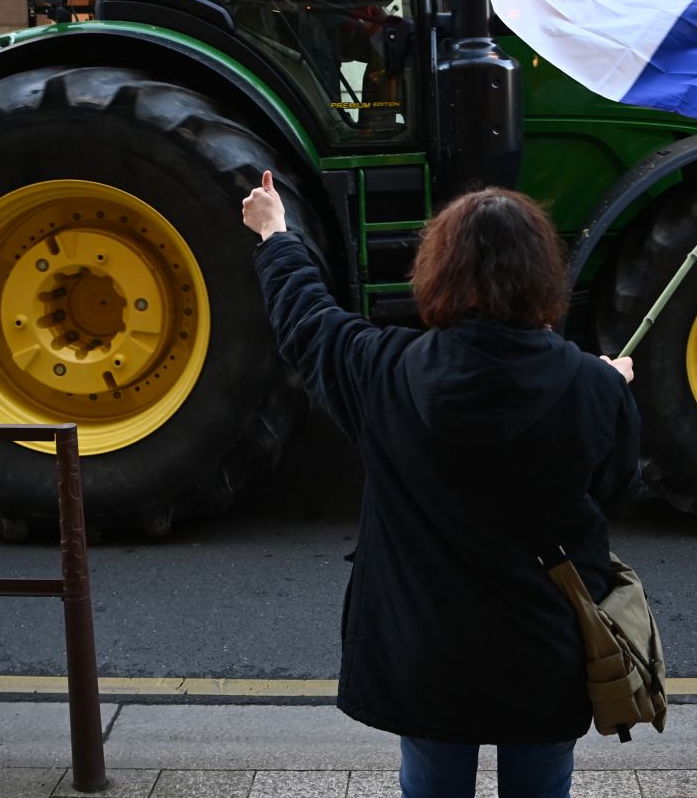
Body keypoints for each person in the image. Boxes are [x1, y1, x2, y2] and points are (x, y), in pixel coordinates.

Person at [242, 173, 641, 798]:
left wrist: (275, 233)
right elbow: (613, 491)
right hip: (544, 652)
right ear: (543, 275)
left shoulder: (382, 370)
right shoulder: (594, 388)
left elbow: (306, 319)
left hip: (424, 651)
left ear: (438, 271)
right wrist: (607, 387)